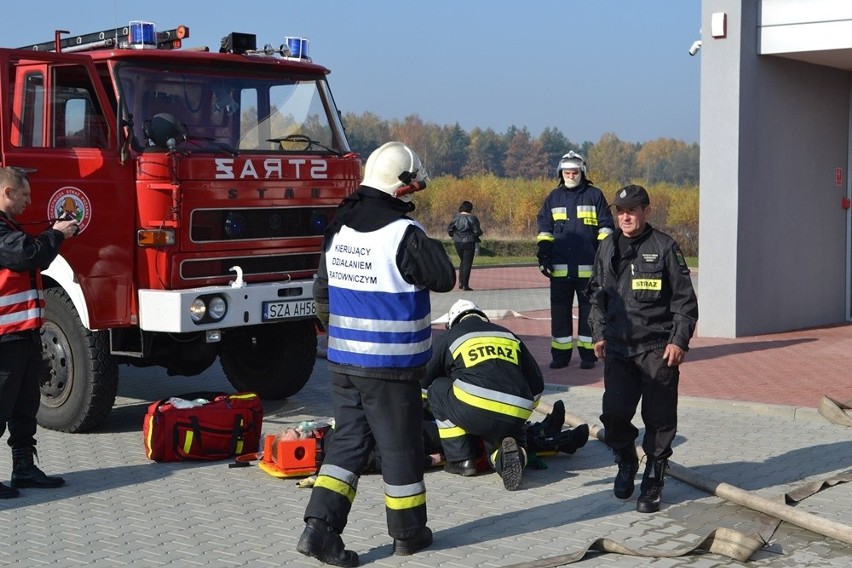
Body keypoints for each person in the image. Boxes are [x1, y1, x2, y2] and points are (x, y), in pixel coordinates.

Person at [297, 142, 456, 566]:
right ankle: (408, 534)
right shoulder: (405, 234)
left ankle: (319, 530)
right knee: (400, 447)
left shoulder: (339, 227)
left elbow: (321, 293)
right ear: (402, 186)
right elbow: (444, 277)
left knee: (347, 444)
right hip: (391, 366)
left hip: (343, 362)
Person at [587, 184, 698, 514]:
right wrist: (597, 334)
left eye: (632, 210)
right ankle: (625, 460)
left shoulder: (664, 247)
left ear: (646, 211)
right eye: (620, 211)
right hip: (619, 350)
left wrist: (679, 340)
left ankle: (653, 478)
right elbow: (596, 296)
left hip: (656, 349)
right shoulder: (606, 248)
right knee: (614, 415)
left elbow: (684, 302)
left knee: (659, 420)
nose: (625, 216)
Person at [0, 166, 79, 499]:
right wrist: (57, 234)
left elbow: (34, 258)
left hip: (25, 332)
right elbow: (28, 253)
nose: (29, 201)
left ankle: (24, 468)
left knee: (24, 405)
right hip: (5, 336)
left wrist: (53, 235)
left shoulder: (9, 226)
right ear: (7, 192)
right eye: (25, 194)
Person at [421, 299, 547, 491]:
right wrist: (521, 414)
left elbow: (425, 380)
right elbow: (537, 384)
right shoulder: (508, 334)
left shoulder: (451, 335)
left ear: (452, 322)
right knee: (498, 445)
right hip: (517, 410)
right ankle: (513, 456)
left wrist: (423, 408)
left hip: (475, 409)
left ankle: (461, 460)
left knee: (438, 388)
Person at [536, 151, 614, 370]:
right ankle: (560, 356)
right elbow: (545, 229)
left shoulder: (595, 196)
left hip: (589, 269)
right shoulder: (553, 198)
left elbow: (606, 228)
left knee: (590, 314)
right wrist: (543, 254)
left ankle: (588, 356)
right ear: (561, 173)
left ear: (583, 173)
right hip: (559, 270)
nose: (571, 175)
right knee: (559, 314)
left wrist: (603, 257)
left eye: (575, 172)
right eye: (567, 172)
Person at [447, 201, 482, 291]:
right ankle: (465, 285)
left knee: (463, 261)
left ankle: (461, 282)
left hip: (457, 242)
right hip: (469, 241)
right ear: (470, 208)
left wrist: (455, 235)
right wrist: (480, 233)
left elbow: (450, 230)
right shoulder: (472, 218)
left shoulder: (456, 217)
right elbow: (477, 231)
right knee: (467, 263)